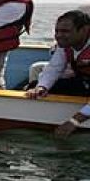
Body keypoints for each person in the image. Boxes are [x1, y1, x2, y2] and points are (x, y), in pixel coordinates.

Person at [24, 10, 90, 138]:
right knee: (33, 86)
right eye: (57, 31)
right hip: (84, 81)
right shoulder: (65, 45)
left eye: (65, 31)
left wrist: (74, 121)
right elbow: (54, 68)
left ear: (84, 30)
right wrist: (41, 87)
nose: (59, 36)